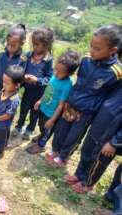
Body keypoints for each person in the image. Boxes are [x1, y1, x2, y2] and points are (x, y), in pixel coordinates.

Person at [49, 24, 122, 167]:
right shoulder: (86, 60)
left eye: (97, 49)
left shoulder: (116, 72)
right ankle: (56, 151)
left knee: (74, 136)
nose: (92, 51)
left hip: (86, 112)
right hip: (71, 104)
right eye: (91, 46)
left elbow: (111, 97)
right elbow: (79, 81)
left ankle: (64, 156)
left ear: (113, 50)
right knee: (61, 130)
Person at [64, 83, 122, 194]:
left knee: (99, 159)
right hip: (100, 121)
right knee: (87, 148)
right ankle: (79, 174)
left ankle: (88, 183)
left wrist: (115, 142)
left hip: (112, 135)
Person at [26, 50, 80, 154]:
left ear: (69, 73)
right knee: (42, 125)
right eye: (55, 69)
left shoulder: (66, 85)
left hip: (51, 114)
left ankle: (41, 145)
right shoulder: (54, 76)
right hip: (44, 108)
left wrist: (52, 120)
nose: (55, 73)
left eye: (60, 72)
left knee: (47, 129)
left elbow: (60, 106)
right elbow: (47, 90)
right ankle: (41, 135)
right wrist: (40, 100)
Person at [12, 27, 54, 140]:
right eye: (33, 44)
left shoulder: (48, 60)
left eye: (37, 44)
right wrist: (23, 76)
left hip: (39, 92)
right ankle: (18, 126)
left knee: (35, 113)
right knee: (23, 108)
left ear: (45, 45)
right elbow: (19, 67)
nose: (34, 46)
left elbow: (50, 79)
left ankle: (29, 129)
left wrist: (38, 80)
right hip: (27, 90)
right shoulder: (28, 55)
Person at [0, 65, 24, 160]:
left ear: (17, 85)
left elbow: (8, 115)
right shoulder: (4, 90)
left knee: (0, 137)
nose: (4, 85)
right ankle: (1, 144)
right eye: (3, 82)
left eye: (7, 83)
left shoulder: (14, 100)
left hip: (2, 123)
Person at [0, 23, 27, 97]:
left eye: (13, 46)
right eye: (8, 44)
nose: (9, 47)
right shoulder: (1, 55)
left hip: (11, 93)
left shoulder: (22, 59)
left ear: (21, 44)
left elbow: (21, 79)